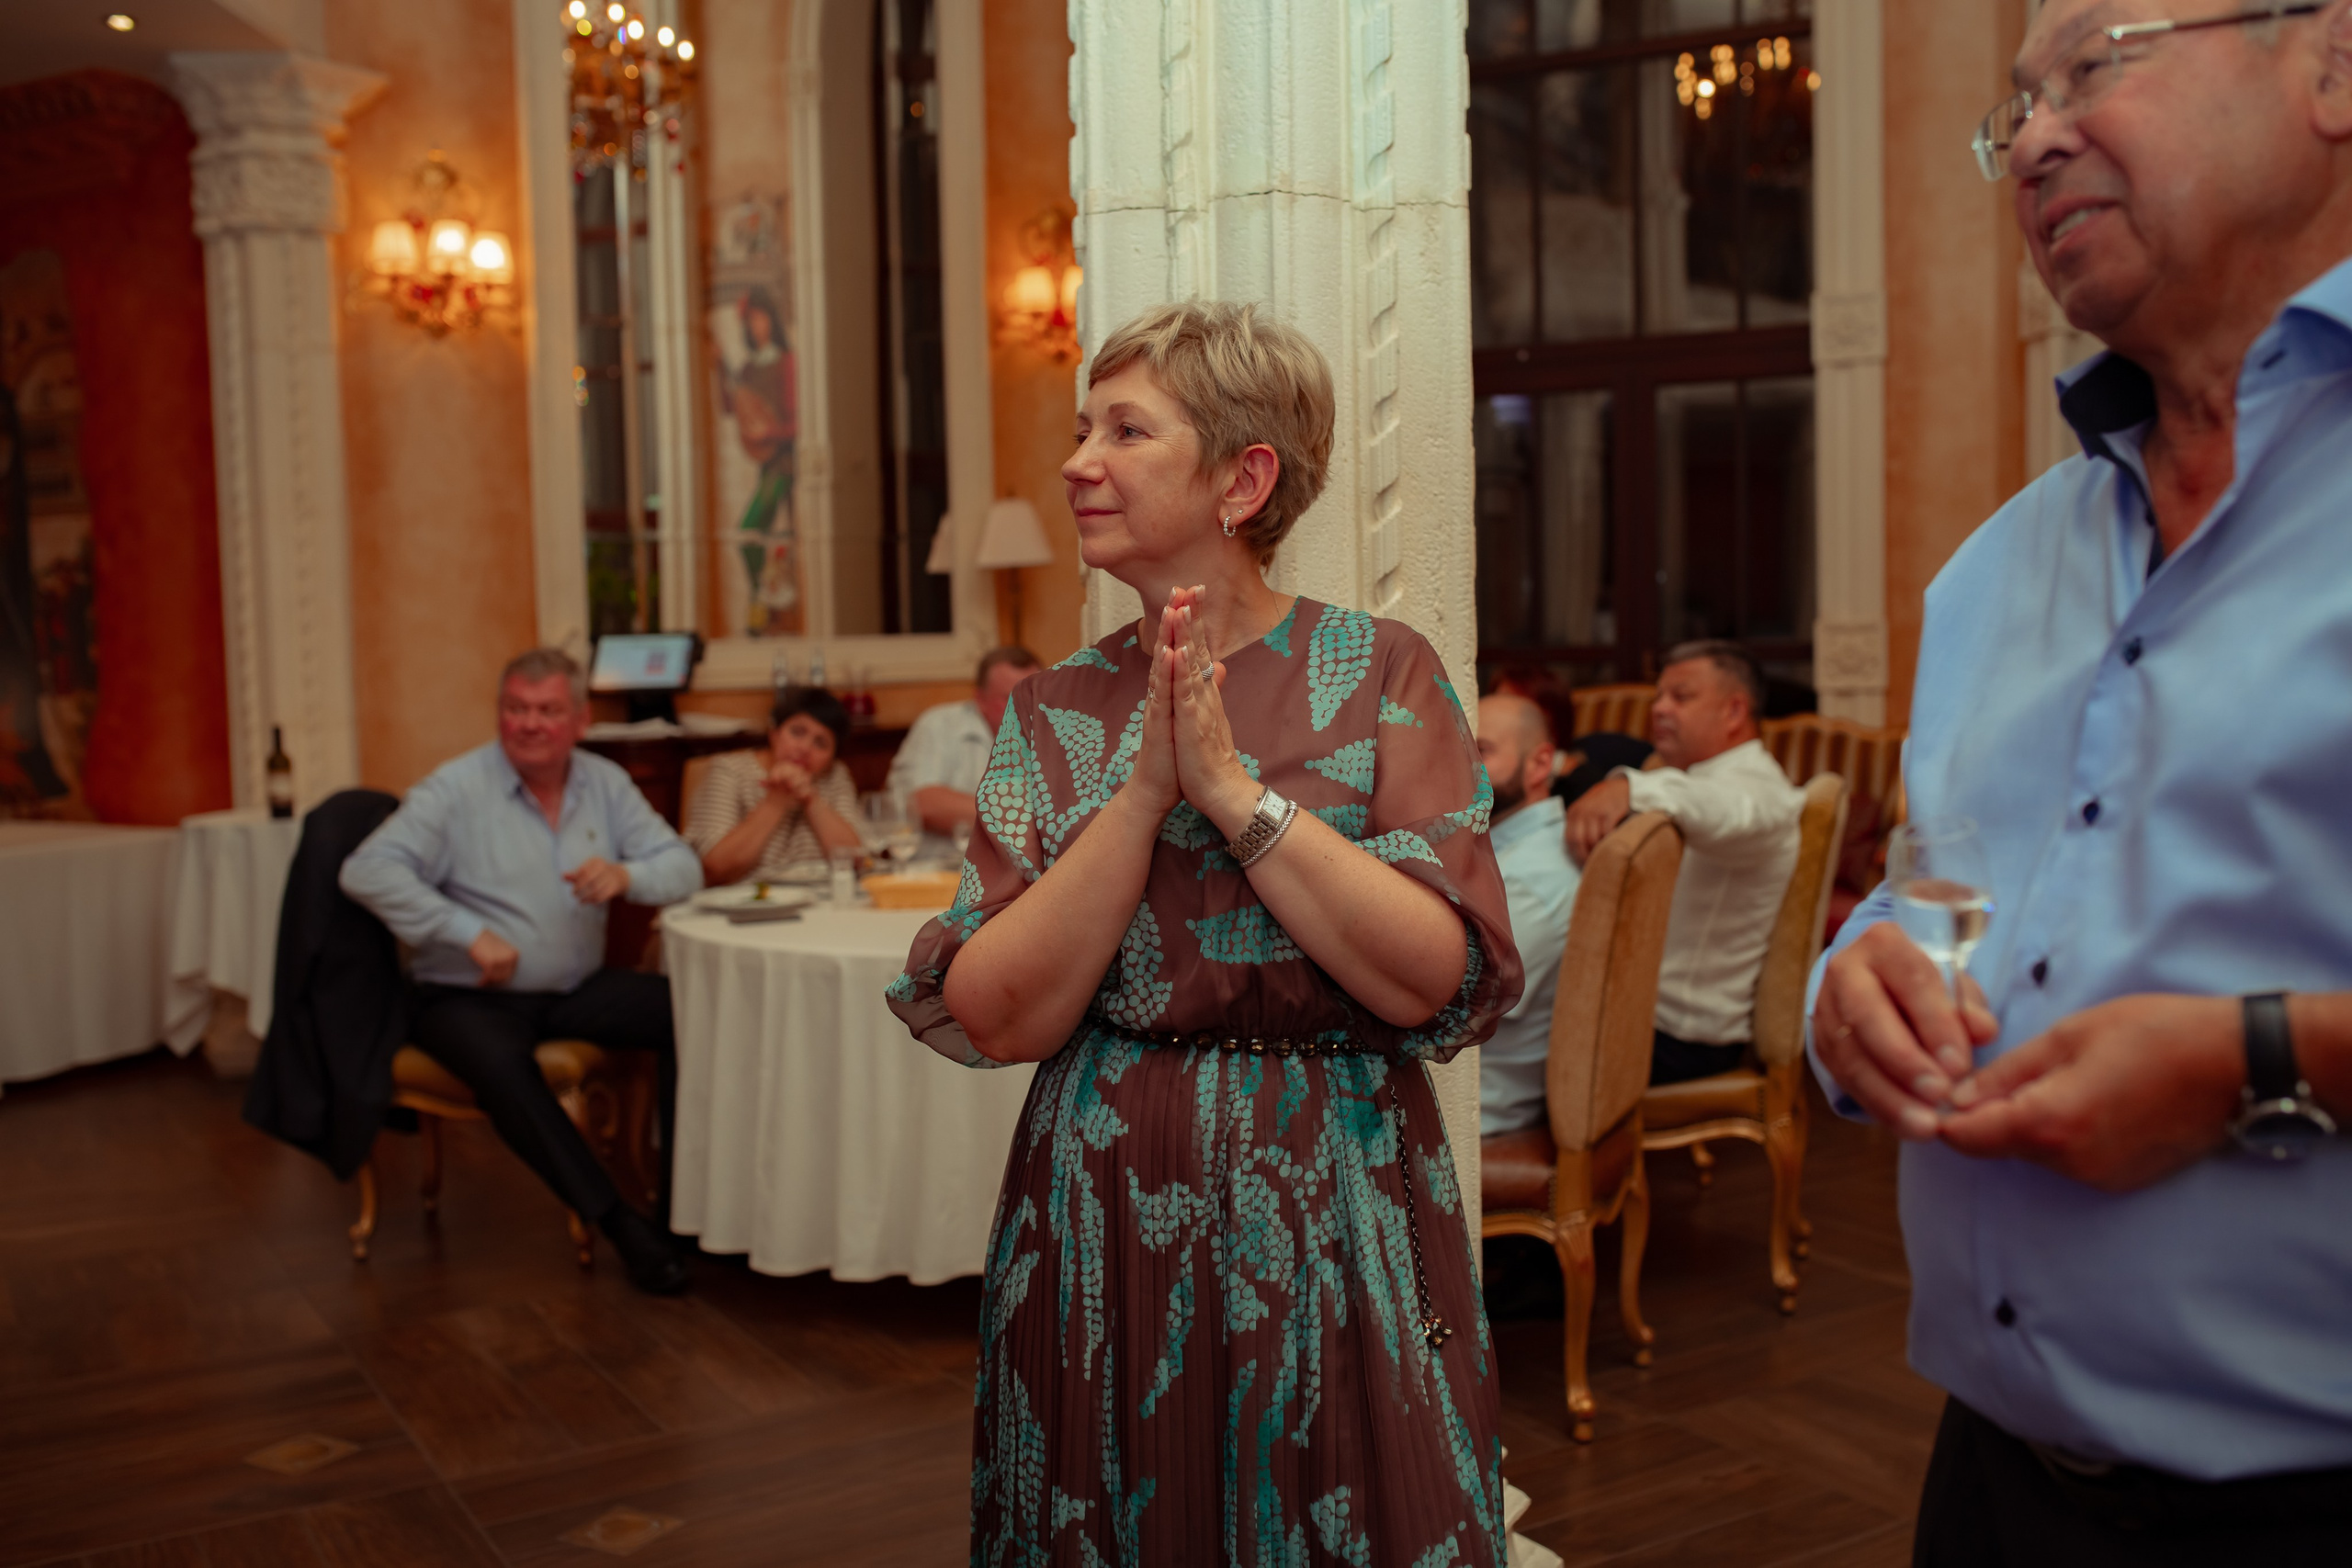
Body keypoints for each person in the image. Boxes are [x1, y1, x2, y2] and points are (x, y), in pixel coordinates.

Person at [1811, 4, 2352, 1560]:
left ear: (2329, 65)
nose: (2037, 135)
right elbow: (1943, 887)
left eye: (2098, 65)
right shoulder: (1996, 573)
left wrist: (2250, 1064)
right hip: (1994, 1484)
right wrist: (1856, 986)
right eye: (2016, 108)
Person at [887, 300, 1522, 1564]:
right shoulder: (1057, 708)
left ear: (1244, 475)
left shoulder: (1379, 669)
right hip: (1102, 1200)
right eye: (1082, 427)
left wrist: (1236, 794)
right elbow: (998, 1010)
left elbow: (1434, 974)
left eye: (1126, 428)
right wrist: (1142, 792)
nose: (1079, 460)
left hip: (1334, 1196)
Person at [340, 649, 702, 1295]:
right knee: (508, 1071)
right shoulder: (454, 789)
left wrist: (628, 874)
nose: (529, 723)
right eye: (516, 709)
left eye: (547, 710)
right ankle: (621, 1225)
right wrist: (465, 932)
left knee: (690, 1013)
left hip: (572, 987)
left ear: (580, 720)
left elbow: (684, 867)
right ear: (500, 713)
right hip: (466, 995)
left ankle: (680, 1208)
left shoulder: (605, 785)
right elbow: (365, 870)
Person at [1565, 640, 1802, 1085]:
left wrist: (1630, 788)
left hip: (1681, 1040)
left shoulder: (1759, 787)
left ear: (1734, 712)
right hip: (1650, 1021)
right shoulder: (1698, 776)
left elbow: (1730, 810)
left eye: (1681, 696)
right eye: (1658, 696)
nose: (1659, 709)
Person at [1476, 691, 1581, 1137]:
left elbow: (1446, 1005)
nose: (1459, 764)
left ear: (1540, 765)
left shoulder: (1527, 880)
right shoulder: (1512, 852)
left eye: (1480, 751)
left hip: (1481, 1103)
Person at [684, 684, 861, 885]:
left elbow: (855, 862)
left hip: (818, 904)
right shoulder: (730, 770)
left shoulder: (834, 775)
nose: (805, 748)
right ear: (774, 733)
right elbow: (713, 869)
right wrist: (775, 802)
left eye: (820, 743)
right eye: (797, 732)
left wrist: (811, 799)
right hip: (742, 906)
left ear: (831, 758)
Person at [884, 644, 1040, 860]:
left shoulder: (1054, 734)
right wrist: (1027, 817)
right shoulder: (940, 724)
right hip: (936, 877)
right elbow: (923, 804)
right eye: (1010, 697)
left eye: (1033, 696)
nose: (1025, 707)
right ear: (980, 699)